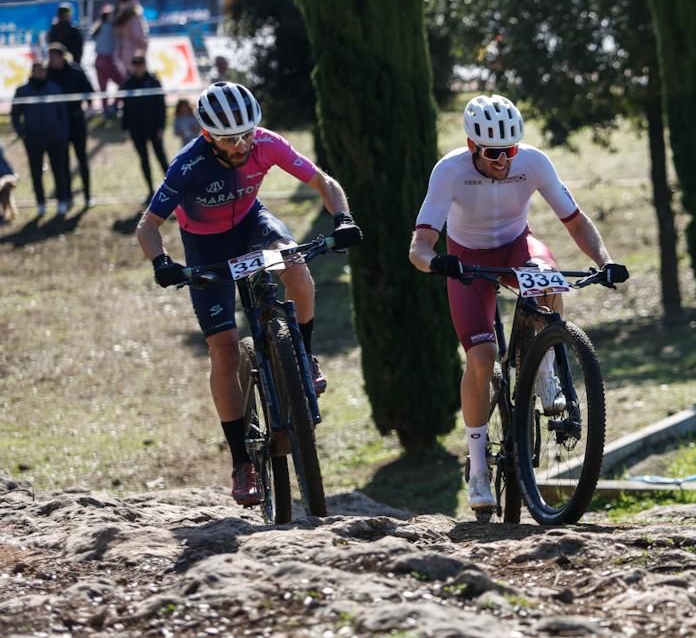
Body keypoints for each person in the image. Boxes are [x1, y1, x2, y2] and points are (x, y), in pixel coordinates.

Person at [135, 81, 363, 506]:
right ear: (207, 135)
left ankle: (303, 354)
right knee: (223, 351)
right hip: (206, 247)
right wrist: (161, 263)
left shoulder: (266, 144)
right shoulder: (188, 165)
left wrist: (344, 217)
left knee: (294, 263)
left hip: (253, 226)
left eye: (247, 134)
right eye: (229, 139)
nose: (241, 145)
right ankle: (242, 462)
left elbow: (324, 182)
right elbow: (147, 226)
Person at [409, 94, 629, 514]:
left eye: (510, 150)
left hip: (516, 248)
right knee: (482, 357)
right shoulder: (449, 171)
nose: (504, 161)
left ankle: (546, 371)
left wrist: (605, 261)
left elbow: (576, 221)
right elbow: (419, 246)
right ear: (473, 146)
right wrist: (438, 263)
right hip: (467, 261)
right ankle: (476, 469)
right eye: (493, 152)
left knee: (547, 279)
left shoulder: (533, 162)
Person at [11, 61, 70, 217]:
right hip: (33, 139)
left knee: (59, 171)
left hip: (55, 138)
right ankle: (41, 203)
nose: (40, 73)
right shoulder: (22, 91)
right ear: (32, 72)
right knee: (36, 173)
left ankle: (62, 201)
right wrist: (22, 133)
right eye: (37, 70)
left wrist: (63, 134)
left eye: (42, 70)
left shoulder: (54, 89)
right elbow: (15, 114)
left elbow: (63, 114)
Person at [45, 43, 95, 208]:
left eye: (54, 56)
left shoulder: (76, 71)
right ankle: (66, 197)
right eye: (50, 56)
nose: (51, 60)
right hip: (58, 124)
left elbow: (89, 91)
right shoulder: (48, 74)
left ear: (62, 56)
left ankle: (88, 195)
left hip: (76, 121)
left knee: (82, 159)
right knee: (62, 161)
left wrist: (88, 109)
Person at [120, 52, 170, 203]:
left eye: (140, 64)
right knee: (144, 159)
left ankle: (172, 187)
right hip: (137, 129)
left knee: (161, 157)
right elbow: (125, 108)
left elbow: (162, 106)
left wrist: (161, 127)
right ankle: (150, 190)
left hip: (154, 128)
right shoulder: (128, 84)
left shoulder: (154, 81)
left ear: (144, 65)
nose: (137, 67)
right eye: (135, 64)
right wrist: (125, 128)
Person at [91, 4, 124, 119]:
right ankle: (114, 106)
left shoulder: (99, 27)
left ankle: (106, 111)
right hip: (107, 60)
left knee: (103, 89)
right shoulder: (111, 27)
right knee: (123, 83)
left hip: (98, 60)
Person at [114, 0, 149, 74]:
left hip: (124, 52)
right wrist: (144, 44)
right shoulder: (134, 17)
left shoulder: (120, 17)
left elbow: (117, 34)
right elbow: (136, 35)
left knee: (128, 75)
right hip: (135, 52)